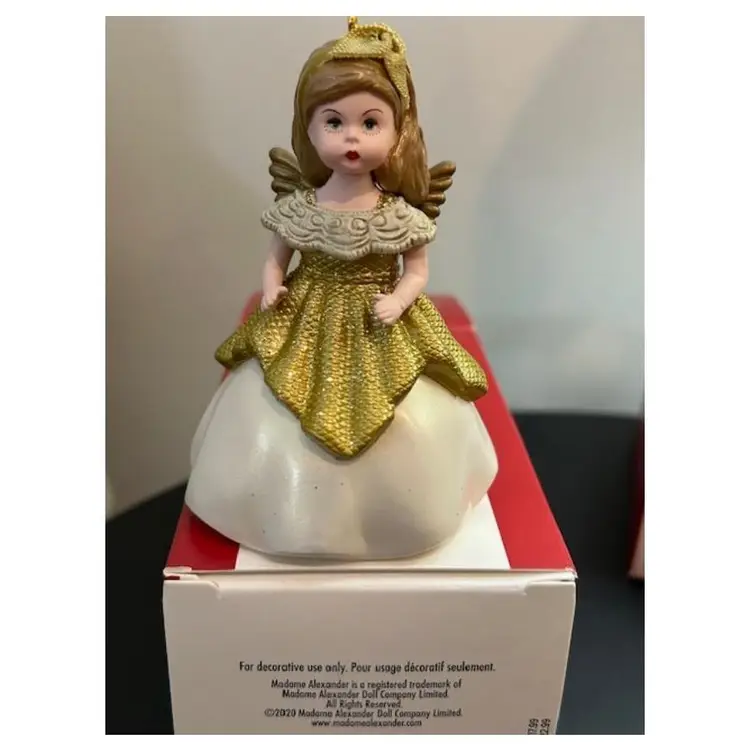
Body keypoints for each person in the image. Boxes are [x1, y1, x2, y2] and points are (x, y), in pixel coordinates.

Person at [186, 18, 498, 560]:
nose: (351, 137)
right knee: (273, 404)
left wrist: (398, 299)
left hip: (379, 319)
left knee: (411, 415)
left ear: (398, 132)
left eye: (370, 122)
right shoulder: (301, 209)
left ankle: (405, 508)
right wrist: (272, 291)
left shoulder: (398, 215)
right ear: (309, 130)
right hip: (305, 316)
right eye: (334, 121)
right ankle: (283, 507)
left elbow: (416, 271)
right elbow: (276, 259)